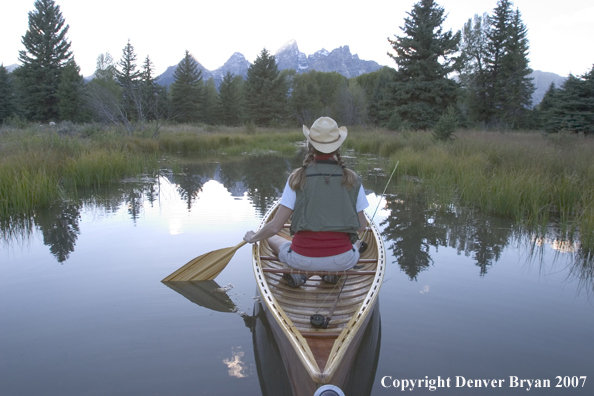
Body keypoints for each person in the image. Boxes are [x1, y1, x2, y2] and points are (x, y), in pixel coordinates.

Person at [243, 117, 369, 287]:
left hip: (302, 260)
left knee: (271, 239)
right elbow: (361, 226)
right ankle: (331, 275)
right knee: (356, 242)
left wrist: (254, 237)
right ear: (338, 146)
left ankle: (303, 275)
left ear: (310, 145)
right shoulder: (353, 179)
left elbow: (274, 227)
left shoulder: (297, 178)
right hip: (342, 261)